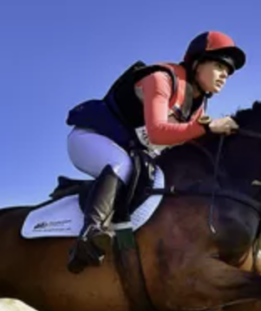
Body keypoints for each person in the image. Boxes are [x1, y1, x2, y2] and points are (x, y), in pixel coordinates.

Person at [63, 30, 247, 273]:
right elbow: (158, 133)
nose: (225, 75)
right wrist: (208, 128)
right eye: (219, 65)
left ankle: (126, 241)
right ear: (197, 62)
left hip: (130, 151)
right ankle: (90, 233)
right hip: (90, 138)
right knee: (122, 164)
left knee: (157, 182)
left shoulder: (196, 105)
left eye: (229, 71)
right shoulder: (161, 79)